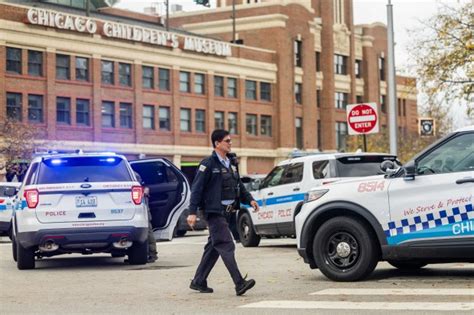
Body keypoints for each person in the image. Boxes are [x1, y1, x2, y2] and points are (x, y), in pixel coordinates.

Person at [187, 129, 259, 296]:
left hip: (229, 212)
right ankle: (239, 283)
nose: (230, 143)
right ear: (217, 143)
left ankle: (198, 281)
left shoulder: (231, 163)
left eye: (230, 140)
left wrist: (250, 200)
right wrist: (192, 212)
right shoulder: (208, 164)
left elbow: (239, 186)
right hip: (214, 211)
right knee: (226, 244)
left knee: (214, 246)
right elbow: (196, 189)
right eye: (227, 141)